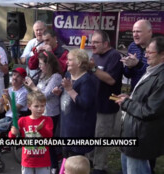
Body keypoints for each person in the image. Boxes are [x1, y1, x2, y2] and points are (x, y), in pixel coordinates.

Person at [116, 36, 164, 174]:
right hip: (132, 136)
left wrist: (126, 103)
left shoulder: (161, 77)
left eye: (150, 52)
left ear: (162, 55)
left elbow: (151, 110)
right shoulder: (152, 70)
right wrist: (130, 98)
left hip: (140, 140)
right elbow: (143, 99)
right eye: (146, 52)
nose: (146, 55)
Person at [89, 30, 123, 174]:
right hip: (92, 104)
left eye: (96, 42)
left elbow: (111, 80)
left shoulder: (114, 55)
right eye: (92, 42)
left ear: (106, 43)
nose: (92, 45)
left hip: (107, 104)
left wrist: (93, 68)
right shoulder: (95, 55)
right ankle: (90, 161)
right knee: (92, 135)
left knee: (102, 137)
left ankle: (100, 168)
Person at [52, 49, 97, 158]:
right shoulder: (68, 74)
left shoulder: (87, 80)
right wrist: (60, 91)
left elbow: (85, 104)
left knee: (76, 162)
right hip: (66, 127)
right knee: (65, 158)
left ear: (79, 63)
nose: (66, 62)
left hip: (79, 131)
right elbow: (66, 93)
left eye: (70, 60)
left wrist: (69, 90)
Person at [24, 51, 62, 174]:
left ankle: (53, 167)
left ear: (49, 64)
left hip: (50, 113)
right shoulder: (43, 75)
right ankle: (42, 164)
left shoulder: (56, 77)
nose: (39, 66)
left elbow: (45, 95)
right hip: (40, 112)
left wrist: (33, 86)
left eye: (41, 64)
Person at [9, 91, 53, 174]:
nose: (40, 109)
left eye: (42, 106)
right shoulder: (22, 120)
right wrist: (12, 133)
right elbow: (12, 140)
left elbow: (49, 137)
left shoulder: (47, 120)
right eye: (36, 106)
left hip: (43, 162)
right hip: (27, 161)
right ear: (29, 106)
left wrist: (41, 129)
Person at [120, 19, 152, 91]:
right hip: (134, 91)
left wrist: (138, 64)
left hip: (151, 93)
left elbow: (155, 73)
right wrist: (129, 67)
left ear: (149, 32)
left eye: (138, 31)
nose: (135, 34)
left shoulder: (157, 47)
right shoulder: (132, 46)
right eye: (133, 32)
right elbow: (127, 75)